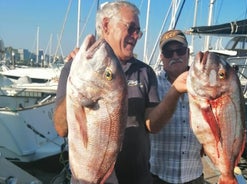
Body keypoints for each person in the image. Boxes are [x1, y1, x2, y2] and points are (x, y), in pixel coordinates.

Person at [53, 1, 188, 184]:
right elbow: (62, 128)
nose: (135, 36)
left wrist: (174, 92)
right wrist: (76, 87)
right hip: (88, 175)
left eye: (138, 31)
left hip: (139, 178)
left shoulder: (145, 72)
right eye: (131, 28)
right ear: (106, 25)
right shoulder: (75, 68)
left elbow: (152, 125)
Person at [150, 30, 204, 184]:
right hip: (158, 176)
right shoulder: (152, 83)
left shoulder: (203, 84)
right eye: (168, 53)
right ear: (162, 57)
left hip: (194, 175)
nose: (175, 56)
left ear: (187, 52)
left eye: (180, 51)